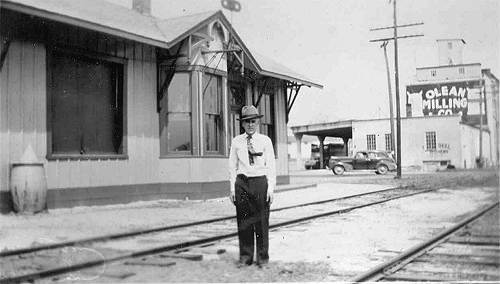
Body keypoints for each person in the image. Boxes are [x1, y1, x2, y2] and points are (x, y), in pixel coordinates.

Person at [228, 105, 276, 267]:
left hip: (260, 182)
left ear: (258, 123)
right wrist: (233, 189)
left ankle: (262, 259)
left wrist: (270, 188)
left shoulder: (265, 141)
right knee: (244, 221)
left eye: (253, 121)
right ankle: (245, 257)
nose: (250, 125)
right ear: (242, 124)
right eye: (247, 122)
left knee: (261, 222)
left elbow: (271, 167)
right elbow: (232, 166)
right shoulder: (236, 142)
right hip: (242, 183)